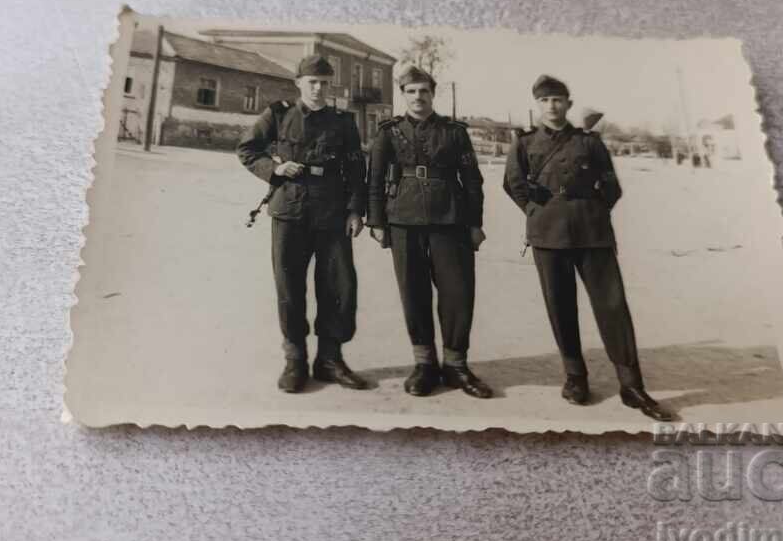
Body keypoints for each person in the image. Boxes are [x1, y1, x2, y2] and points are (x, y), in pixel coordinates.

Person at [503, 74, 674, 421]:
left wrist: (591, 211)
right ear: (537, 105)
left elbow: (611, 186)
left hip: (593, 233)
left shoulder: (589, 142)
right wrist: (539, 213)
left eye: (558, 100)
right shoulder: (523, 143)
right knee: (560, 306)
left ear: (568, 103)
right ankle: (575, 377)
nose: (552, 106)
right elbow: (513, 184)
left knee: (612, 306)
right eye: (545, 100)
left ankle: (631, 384)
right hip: (548, 236)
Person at [237, 55, 368, 393]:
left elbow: (356, 170)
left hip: (332, 213)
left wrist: (355, 211)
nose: (318, 88)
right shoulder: (278, 114)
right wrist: (275, 169)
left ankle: (329, 359)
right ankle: (295, 359)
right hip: (290, 212)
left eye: (324, 82)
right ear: (298, 83)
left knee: (339, 287)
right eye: (312, 82)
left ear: (330, 85)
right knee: (290, 288)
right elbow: (247, 149)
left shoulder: (343, 121)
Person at [366, 66, 491, 398]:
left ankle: (456, 365)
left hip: (450, 220)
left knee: (458, 294)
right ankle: (424, 364)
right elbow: (375, 180)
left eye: (423, 91)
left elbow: (473, 181)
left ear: (432, 94)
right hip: (403, 221)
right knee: (413, 292)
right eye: (411, 91)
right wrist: (376, 222)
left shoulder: (454, 132)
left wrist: (476, 223)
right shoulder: (389, 132)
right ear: (403, 95)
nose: (418, 97)